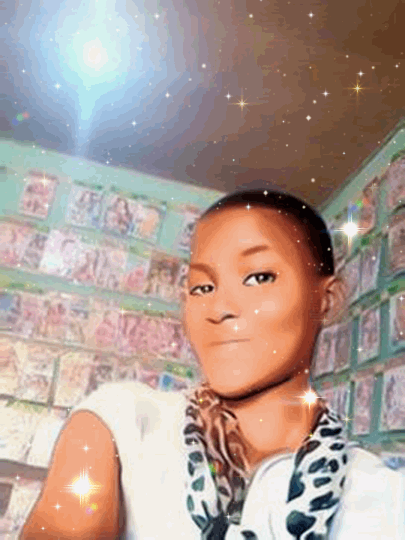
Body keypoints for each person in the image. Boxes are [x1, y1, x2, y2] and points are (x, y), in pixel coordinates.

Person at [20, 188, 405, 540]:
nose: (219, 308)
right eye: (202, 287)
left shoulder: (385, 498)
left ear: (328, 300)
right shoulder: (124, 424)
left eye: (258, 277)